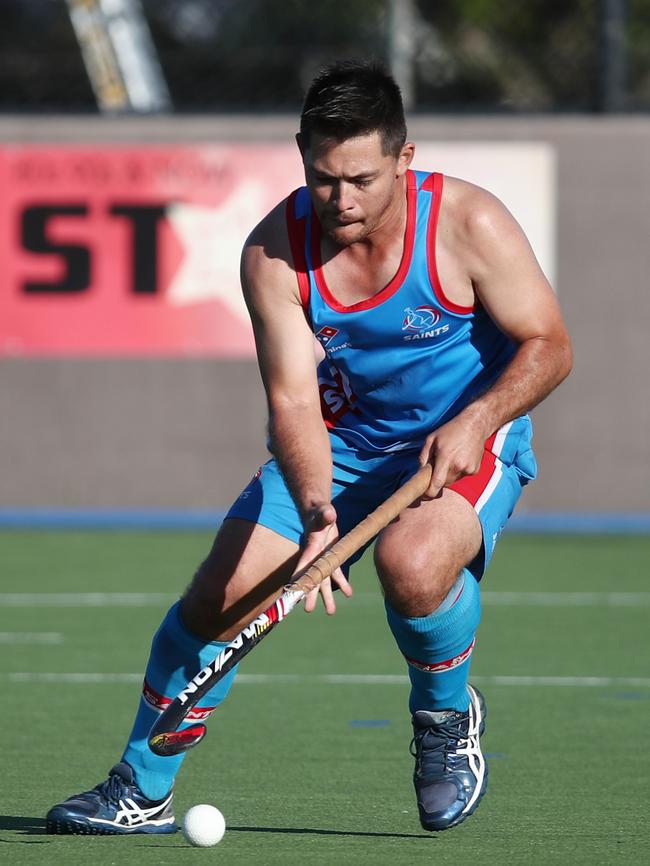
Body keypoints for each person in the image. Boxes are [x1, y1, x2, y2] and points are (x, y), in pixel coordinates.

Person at [46, 60, 572, 836]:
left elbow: (551, 346)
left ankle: (445, 719)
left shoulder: (469, 225)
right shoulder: (274, 253)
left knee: (413, 564)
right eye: (325, 178)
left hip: (470, 435)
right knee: (221, 596)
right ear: (301, 156)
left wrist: (477, 418)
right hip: (345, 447)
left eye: (362, 178)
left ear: (405, 157)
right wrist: (319, 511)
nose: (342, 200)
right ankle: (141, 785)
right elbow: (293, 400)